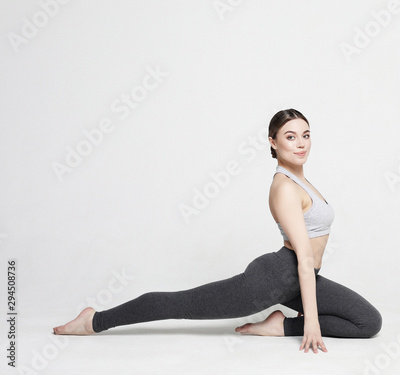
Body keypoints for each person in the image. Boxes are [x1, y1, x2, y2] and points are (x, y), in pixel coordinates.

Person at [53, 108, 382, 354]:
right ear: (273, 141)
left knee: (369, 322)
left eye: (305, 135)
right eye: (290, 136)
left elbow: (309, 261)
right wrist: (310, 320)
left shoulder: (302, 179)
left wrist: (302, 319)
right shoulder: (284, 187)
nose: (300, 144)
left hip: (295, 278)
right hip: (272, 280)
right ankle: (94, 320)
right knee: (180, 304)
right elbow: (305, 257)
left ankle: (280, 325)